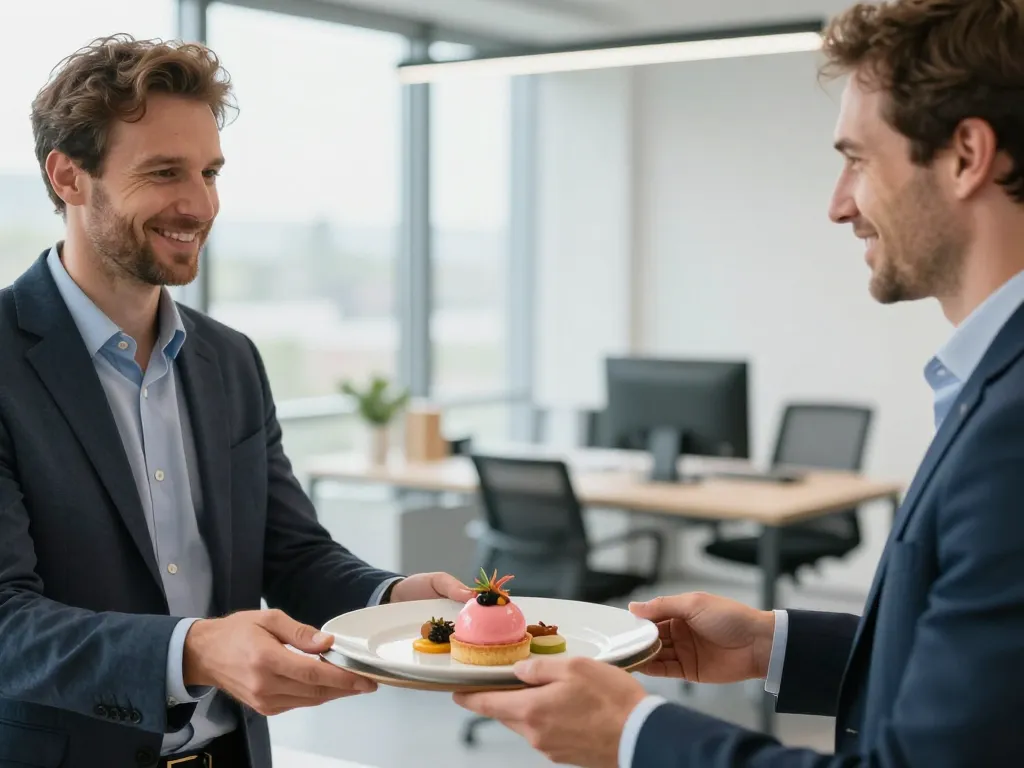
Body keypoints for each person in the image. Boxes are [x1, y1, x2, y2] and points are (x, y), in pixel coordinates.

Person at [454, 1, 1024, 765]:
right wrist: (771, 643)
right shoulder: (991, 382)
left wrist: (636, 736)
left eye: (858, 158)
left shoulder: (1013, 426)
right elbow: (980, 682)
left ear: (966, 155)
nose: (838, 204)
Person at [0, 35, 474, 768]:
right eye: (164, 172)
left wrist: (394, 599)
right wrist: (192, 650)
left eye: (210, 172)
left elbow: (290, 555)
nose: (198, 204)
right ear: (68, 176)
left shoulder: (231, 361)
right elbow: (6, 622)